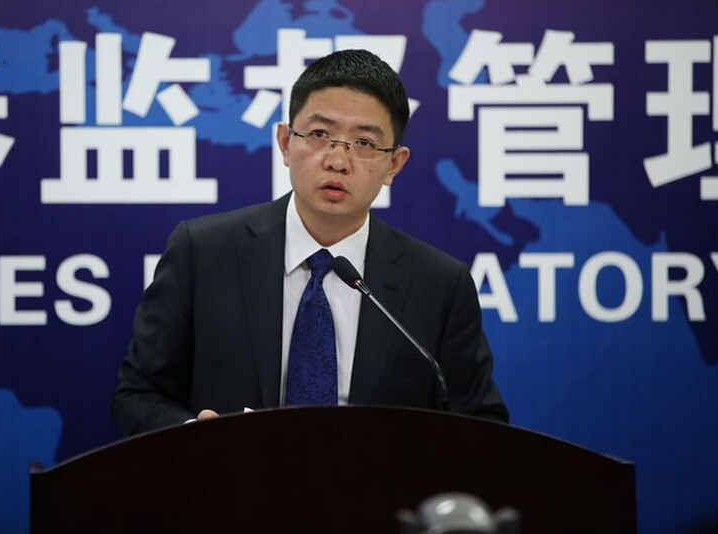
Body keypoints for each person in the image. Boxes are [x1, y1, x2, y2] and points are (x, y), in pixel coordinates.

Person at [111, 49, 508, 436]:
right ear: (285, 142)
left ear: (394, 164)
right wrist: (195, 438)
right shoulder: (202, 252)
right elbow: (138, 394)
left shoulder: (439, 285)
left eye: (364, 143)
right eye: (319, 135)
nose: (337, 160)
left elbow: (481, 425)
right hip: (230, 477)